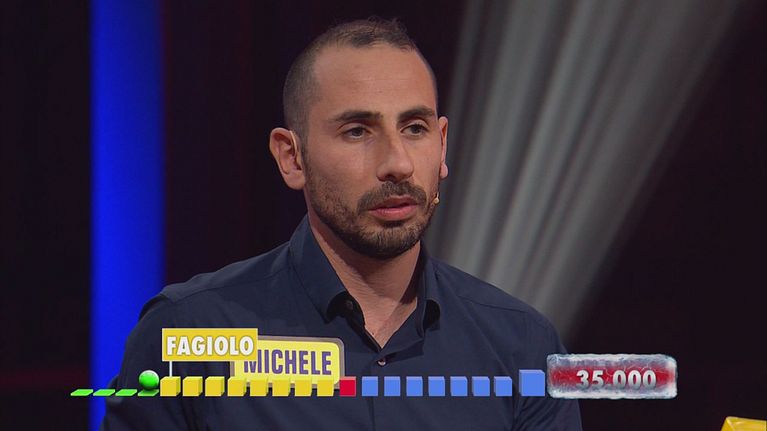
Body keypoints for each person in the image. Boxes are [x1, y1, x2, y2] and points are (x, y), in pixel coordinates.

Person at [102, 18, 582, 430]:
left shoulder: (522, 347)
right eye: (357, 131)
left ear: (442, 145)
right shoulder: (190, 334)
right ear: (292, 158)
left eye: (414, 128)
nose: (397, 163)